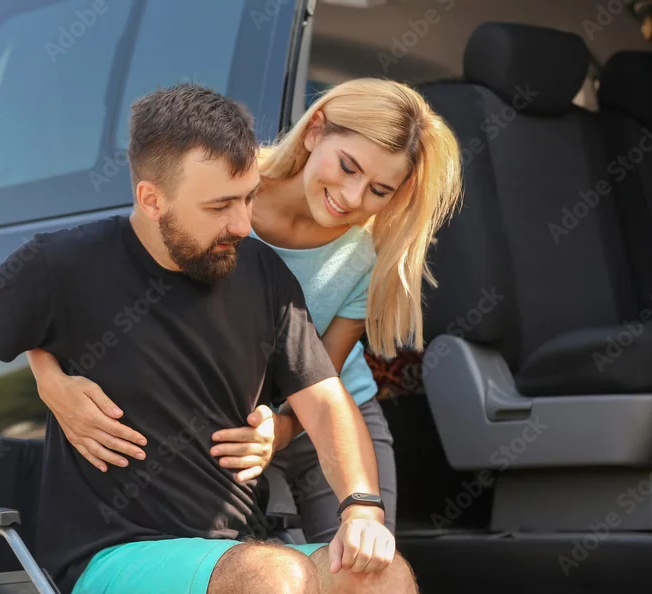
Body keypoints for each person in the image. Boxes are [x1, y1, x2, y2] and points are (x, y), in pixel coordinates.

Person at [0, 83, 427, 594]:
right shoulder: (63, 264)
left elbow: (329, 403)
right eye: (220, 207)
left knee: (386, 582)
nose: (243, 223)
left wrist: (362, 508)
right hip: (110, 568)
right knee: (276, 582)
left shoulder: (264, 276)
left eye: (247, 198)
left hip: (236, 557)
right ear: (152, 199)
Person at [26, 78, 463, 538]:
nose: (353, 198)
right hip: (223, 427)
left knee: (365, 562)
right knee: (259, 575)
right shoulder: (219, 188)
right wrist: (48, 379)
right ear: (315, 130)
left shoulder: (370, 252)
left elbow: (324, 380)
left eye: (379, 189)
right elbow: (79, 284)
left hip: (326, 421)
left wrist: (282, 431)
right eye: (347, 167)